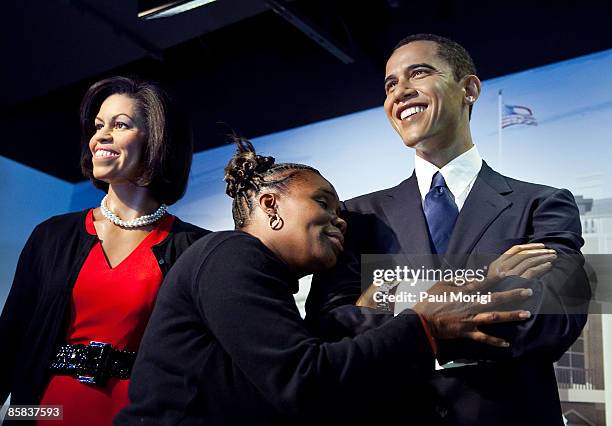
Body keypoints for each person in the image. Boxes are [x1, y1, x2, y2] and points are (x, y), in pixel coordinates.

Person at [116, 140, 554, 425]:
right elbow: (308, 380)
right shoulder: (231, 253)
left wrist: (394, 295)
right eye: (323, 202)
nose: (339, 220)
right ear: (270, 204)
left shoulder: (258, 278)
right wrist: (426, 325)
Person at [305, 34, 591, 425]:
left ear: (469, 88)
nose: (399, 92)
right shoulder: (357, 217)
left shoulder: (542, 204)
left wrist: (388, 296)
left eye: (418, 73)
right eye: (390, 85)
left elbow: (553, 316)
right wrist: (487, 283)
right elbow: (330, 325)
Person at [0, 76, 210, 425]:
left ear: (157, 139)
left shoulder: (195, 249)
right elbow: (9, 341)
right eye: (98, 126)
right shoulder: (52, 236)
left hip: (137, 416)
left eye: (120, 124)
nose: (100, 136)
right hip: (45, 412)